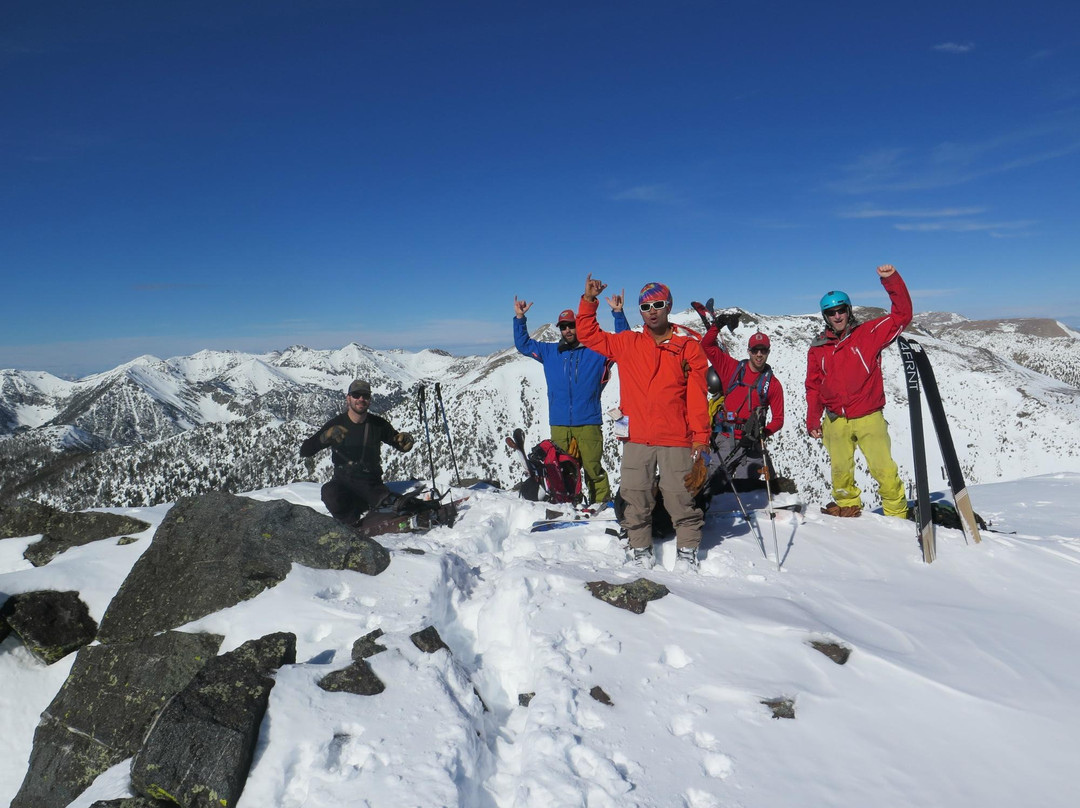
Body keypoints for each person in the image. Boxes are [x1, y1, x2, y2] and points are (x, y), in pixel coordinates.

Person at [576, 275, 710, 572]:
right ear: (640, 311)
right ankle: (640, 548)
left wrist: (701, 438)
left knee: (681, 497)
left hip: (676, 437)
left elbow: (697, 398)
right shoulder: (628, 343)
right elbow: (588, 334)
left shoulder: (687, 347)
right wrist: (589, 301)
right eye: (646, 306)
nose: (652, 311)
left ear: (668, 306)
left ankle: (687, 550)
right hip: (637, 437)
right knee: (635, 495)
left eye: (658, 304)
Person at [805, 264, 912, 518]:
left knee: (884, 471)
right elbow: (813, 386)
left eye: (841, 310)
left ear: (848, 310)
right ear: (825, 316)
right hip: (835, 420)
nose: (837, 316)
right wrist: (813, 418)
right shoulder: (818, 348)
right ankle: (848, 515)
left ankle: (897, 517)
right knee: (840, 474)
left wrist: (891, 280)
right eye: (831, 313)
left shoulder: (868, 334)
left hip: (868, 416)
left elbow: (902, 315)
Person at [513, 294, 629, 505]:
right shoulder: (550, 352)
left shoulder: (597, 351)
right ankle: (566, 504)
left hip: (589, 422)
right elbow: (523, 345)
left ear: (579, 326)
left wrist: (618, 314)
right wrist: (520, 318)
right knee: (560, 470)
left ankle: (601, 504)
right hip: (560, 424)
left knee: (593, 468)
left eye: (571, 325)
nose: (567, 330)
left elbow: (625, 345)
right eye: (563, 326)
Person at [300, 380, 415, 526]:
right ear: (348, 398)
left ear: (370, 399)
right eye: (356, 395)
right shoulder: (336, 425)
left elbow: (399, 442)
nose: (361, 399)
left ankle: (374, 516)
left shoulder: (378, 425)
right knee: (329, 493)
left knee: (387, 501)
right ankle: (353, 524)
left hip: (371, 483)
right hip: (343, 483)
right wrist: (324, 438)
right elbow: (305, 450)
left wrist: (406, 442)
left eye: (365, 396)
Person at [701, 326, 785, 490]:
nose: (759, 354)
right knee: (711, 487)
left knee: (745, 492)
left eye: (763, 350)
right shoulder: (731, 368)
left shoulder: (773, 385)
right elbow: (707, 345)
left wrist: (763, 433)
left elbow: (778, 419)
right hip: (725, 438)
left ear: (768, 352)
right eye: (755, 350)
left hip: (752, 445)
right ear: (749, 351)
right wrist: (717, 326)